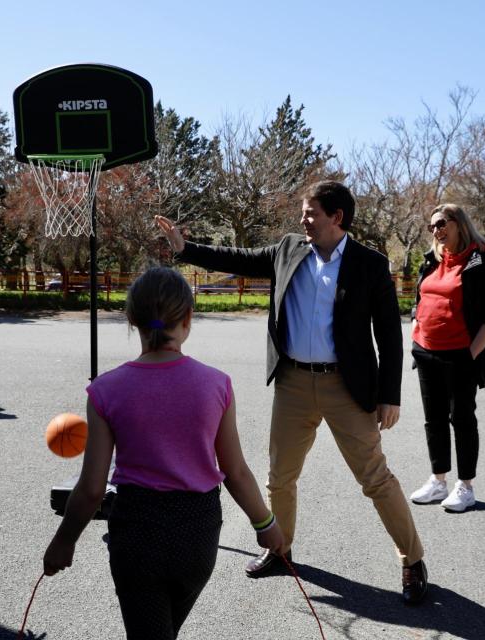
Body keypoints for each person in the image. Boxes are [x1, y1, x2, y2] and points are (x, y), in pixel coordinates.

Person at [156, 180, 429, 604]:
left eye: (311, 213)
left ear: (336, 218)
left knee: (375, 478)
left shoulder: (369, 264)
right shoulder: (288, 250)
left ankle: (412, 561)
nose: (304, 220)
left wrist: (389, 395)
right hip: (294, 383)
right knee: (280, 477)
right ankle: (279, 551)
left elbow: (389, 335)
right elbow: (239, 258)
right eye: (304, 213)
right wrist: (184, 248)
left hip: (347, 386)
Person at [42, 267, 285, 639]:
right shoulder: (216, 384)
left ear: (131, 319)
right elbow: (235, 471)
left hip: (137, 534)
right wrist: (265, 525)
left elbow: (92, 489)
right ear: (187, 319)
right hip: (198, 534)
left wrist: (64, 540)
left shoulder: (107, 390)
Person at [408, 204, 485, 512]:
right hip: (425, 350)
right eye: (431, 226)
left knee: (461, 419)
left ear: (459, 223)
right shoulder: (431, 259)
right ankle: (438, 481)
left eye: (441, 223)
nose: (435, 230)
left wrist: (471, 354)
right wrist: (415, 323)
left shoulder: (483, 260)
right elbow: (420, 297)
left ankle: (465, 486)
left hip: (461, 354)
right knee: (433, 419)